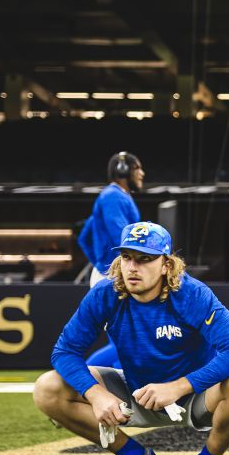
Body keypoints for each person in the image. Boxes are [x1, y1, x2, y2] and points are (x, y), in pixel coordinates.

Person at [33, 222, 229, 455]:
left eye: (145, 259)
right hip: (136, 391)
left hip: (195, 396)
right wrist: (95, 395)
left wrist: (179, 387)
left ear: (166, 265)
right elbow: (64, 351)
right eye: (127, 257)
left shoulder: (192, 294)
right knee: (48, 387)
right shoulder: (106, 293)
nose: (132, 267)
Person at [78, 152, 144, 368]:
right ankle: (80, 383)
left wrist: (100, 263)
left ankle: (113, 390)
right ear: (124, 170)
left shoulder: (109, 196)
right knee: (127, 342)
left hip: (111, 272)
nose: (142, 173)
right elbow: (123, 237)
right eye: (137, 168)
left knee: (126, 341)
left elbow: (84, 237)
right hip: (116, 275)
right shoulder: (114, 197)